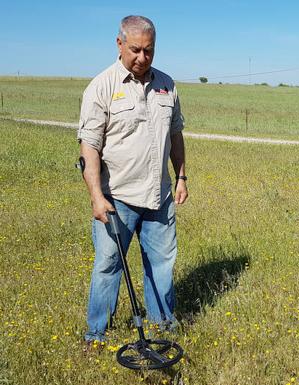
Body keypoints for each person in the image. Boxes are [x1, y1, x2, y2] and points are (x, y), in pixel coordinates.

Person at [77, 15, 187, 344]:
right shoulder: (102, 86)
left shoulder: (167, 83)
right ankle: (96, 335)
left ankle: (161, 329)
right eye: (136, 49)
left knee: (162, 266)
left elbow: (176, 135)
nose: (142, 58)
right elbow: (89, 147)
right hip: (118, 198)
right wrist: (97, 196)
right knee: (108, 267)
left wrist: (181, 176)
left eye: (149, 51)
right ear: (120, 43)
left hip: (159, 196)